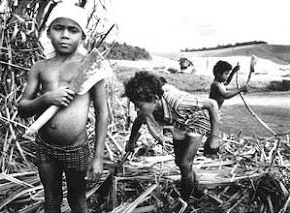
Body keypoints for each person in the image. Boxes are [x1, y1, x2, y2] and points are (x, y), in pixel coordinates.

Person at [18, 2, 109, 213]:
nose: (65, 35)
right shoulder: (40, 67)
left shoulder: (91, 67)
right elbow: (22, 109)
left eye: (73, 30)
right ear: (48, 32)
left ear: (83, 36)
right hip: (44, 146)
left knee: (77, 199)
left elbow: (103, 113)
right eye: (59, 28)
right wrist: (46, 98)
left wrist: (97, 157)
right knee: (52, 198)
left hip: (76, 148)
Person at [123, 71, 220, 202]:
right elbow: (139, 121)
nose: (137, 108)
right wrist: (131, 142)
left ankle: (185, 201)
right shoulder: (150, 107)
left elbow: (212, 104)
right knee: (179, 162)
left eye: (139, 105)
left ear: (155, 98)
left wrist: (214, 137)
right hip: (180, 123)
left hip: (198, 122)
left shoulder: (178, 102)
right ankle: (195, 189)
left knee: (185, 164)